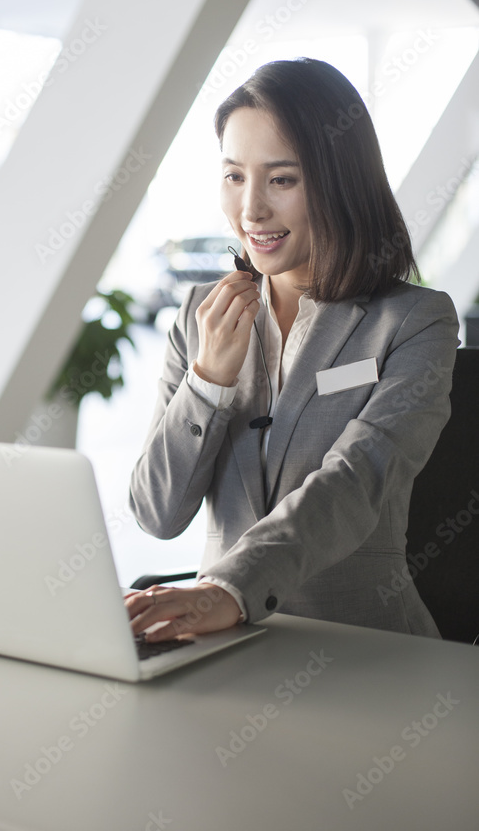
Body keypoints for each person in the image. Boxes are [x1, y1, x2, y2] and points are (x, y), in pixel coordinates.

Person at [126, 57, 459, 643]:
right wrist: (207, 382)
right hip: (217, 648)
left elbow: (356, 481)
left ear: (339, 182)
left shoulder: (413, 321)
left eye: (282, 179)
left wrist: (226, 589)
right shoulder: (200, 316)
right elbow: (158, 512)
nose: (250, 209)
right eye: (234, 176)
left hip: (362, 647)